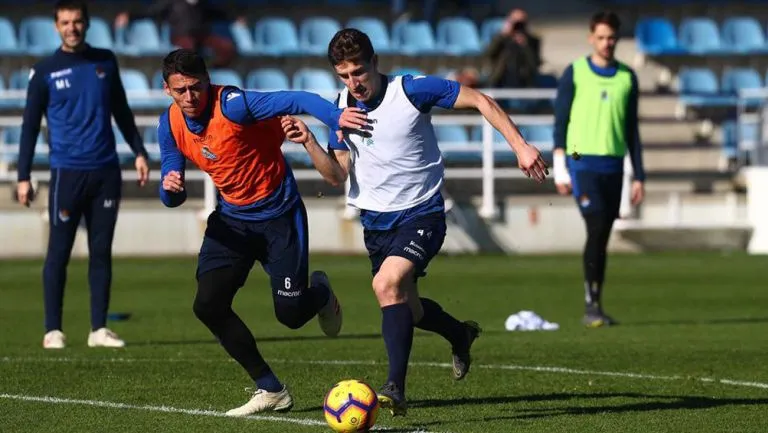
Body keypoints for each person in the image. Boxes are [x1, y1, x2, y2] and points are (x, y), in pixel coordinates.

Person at [281, 28, 548, 416]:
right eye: (344, 75)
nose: (353, 83)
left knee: (385, 285)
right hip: (375, 223)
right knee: (409, 307)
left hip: (422, 213)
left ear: (375, 64)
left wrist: (521, 146)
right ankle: (460, 334)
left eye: (359, 72)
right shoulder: (340, 107)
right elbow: (337, 176)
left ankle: (395, 388)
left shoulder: (410, 91)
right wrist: (308, 141)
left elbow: (480, 100)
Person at [157, 48, 367, 416]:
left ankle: (319, 294)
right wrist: (169, 189)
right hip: (232, 221)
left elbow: (297, 98)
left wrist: (336, 116)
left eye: (195, 88)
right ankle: (270, 389)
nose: (190, 98)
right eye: (180, 91)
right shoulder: (169, 124)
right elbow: (171, 189)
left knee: (290, 315)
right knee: (207, 305)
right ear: (167, 90)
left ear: (208, 81)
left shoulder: (234, 105)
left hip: (279, 217)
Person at [16, 0, 150, 350]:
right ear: (56, 26)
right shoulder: (44, 71)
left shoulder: (105, 60)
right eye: (65, 22)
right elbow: (30, 127)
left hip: (106, 172)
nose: (71, 27)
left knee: (101, 251)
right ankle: (52, 330)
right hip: (67, 174)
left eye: (77, 21)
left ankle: (98, 329)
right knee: (58, 253)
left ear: (86, 24)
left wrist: (139, 151)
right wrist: (23, 175)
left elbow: (120, 110)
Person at [552, 11, 646, 328]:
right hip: (582, 161)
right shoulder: (575, 73)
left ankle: (596, 301)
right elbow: (561, 123)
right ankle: (591, 304)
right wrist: (563, 168)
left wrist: (639, 176)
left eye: (612, 38)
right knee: (595, 227)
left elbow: (632, 130)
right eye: (602, 37)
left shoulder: (627, 77)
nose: (607, 43)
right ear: (592, 38)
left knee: (603, 233)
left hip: (614, 164)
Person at [115, 0, 242, 67]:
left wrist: (235, 18)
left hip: (203, 36)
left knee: (227, 47)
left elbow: (218, 13)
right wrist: (130, 15)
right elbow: (151, 11)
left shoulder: (202, 4)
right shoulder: (171, 2)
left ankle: (215, 69)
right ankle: (193, 74)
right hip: (181, 36)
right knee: (189, 51)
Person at [485, 8, 542, 90]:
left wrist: (525, 45)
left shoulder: (533, 41)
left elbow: (535, 64)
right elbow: (488, 54)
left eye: (521, 23)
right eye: (515, 23)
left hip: (524, 82)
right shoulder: (501, 39)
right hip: (501, 80)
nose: (518, 26)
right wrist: (503, 35)